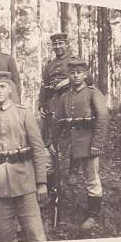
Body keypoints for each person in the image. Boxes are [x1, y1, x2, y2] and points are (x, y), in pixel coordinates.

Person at [0, 71, 48, 242]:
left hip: (25, 183)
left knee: (36, 235)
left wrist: (42, 182)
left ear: (10, 89)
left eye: (2, 87)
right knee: (4, 238)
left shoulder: (24, 114)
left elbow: (38, 149)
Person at [55, 59, 109, 229]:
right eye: (72, 73)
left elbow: (103, 118)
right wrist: (55, 143)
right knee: (80, 177)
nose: (76, 75)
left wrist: (97, 144)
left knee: (91, 178)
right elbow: (59, 121)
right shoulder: (65, 96)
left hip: (89, 142)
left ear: (85, 74)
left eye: (79, 72)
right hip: (72, 144)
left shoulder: (93, 93)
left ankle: (94, 214)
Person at [38, 32, 79, 182]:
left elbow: (86, 78)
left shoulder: (74, 61)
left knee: (72, 134)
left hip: (70, 101)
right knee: (51, 137)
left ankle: (73, 170)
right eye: (55, 44)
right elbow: (43, 86)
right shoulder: (49, 65)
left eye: (61, 43)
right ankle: (52, 174)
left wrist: (67, 81)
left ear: (66, 44)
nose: (58, 46)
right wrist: (41, 104)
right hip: (52, 103)